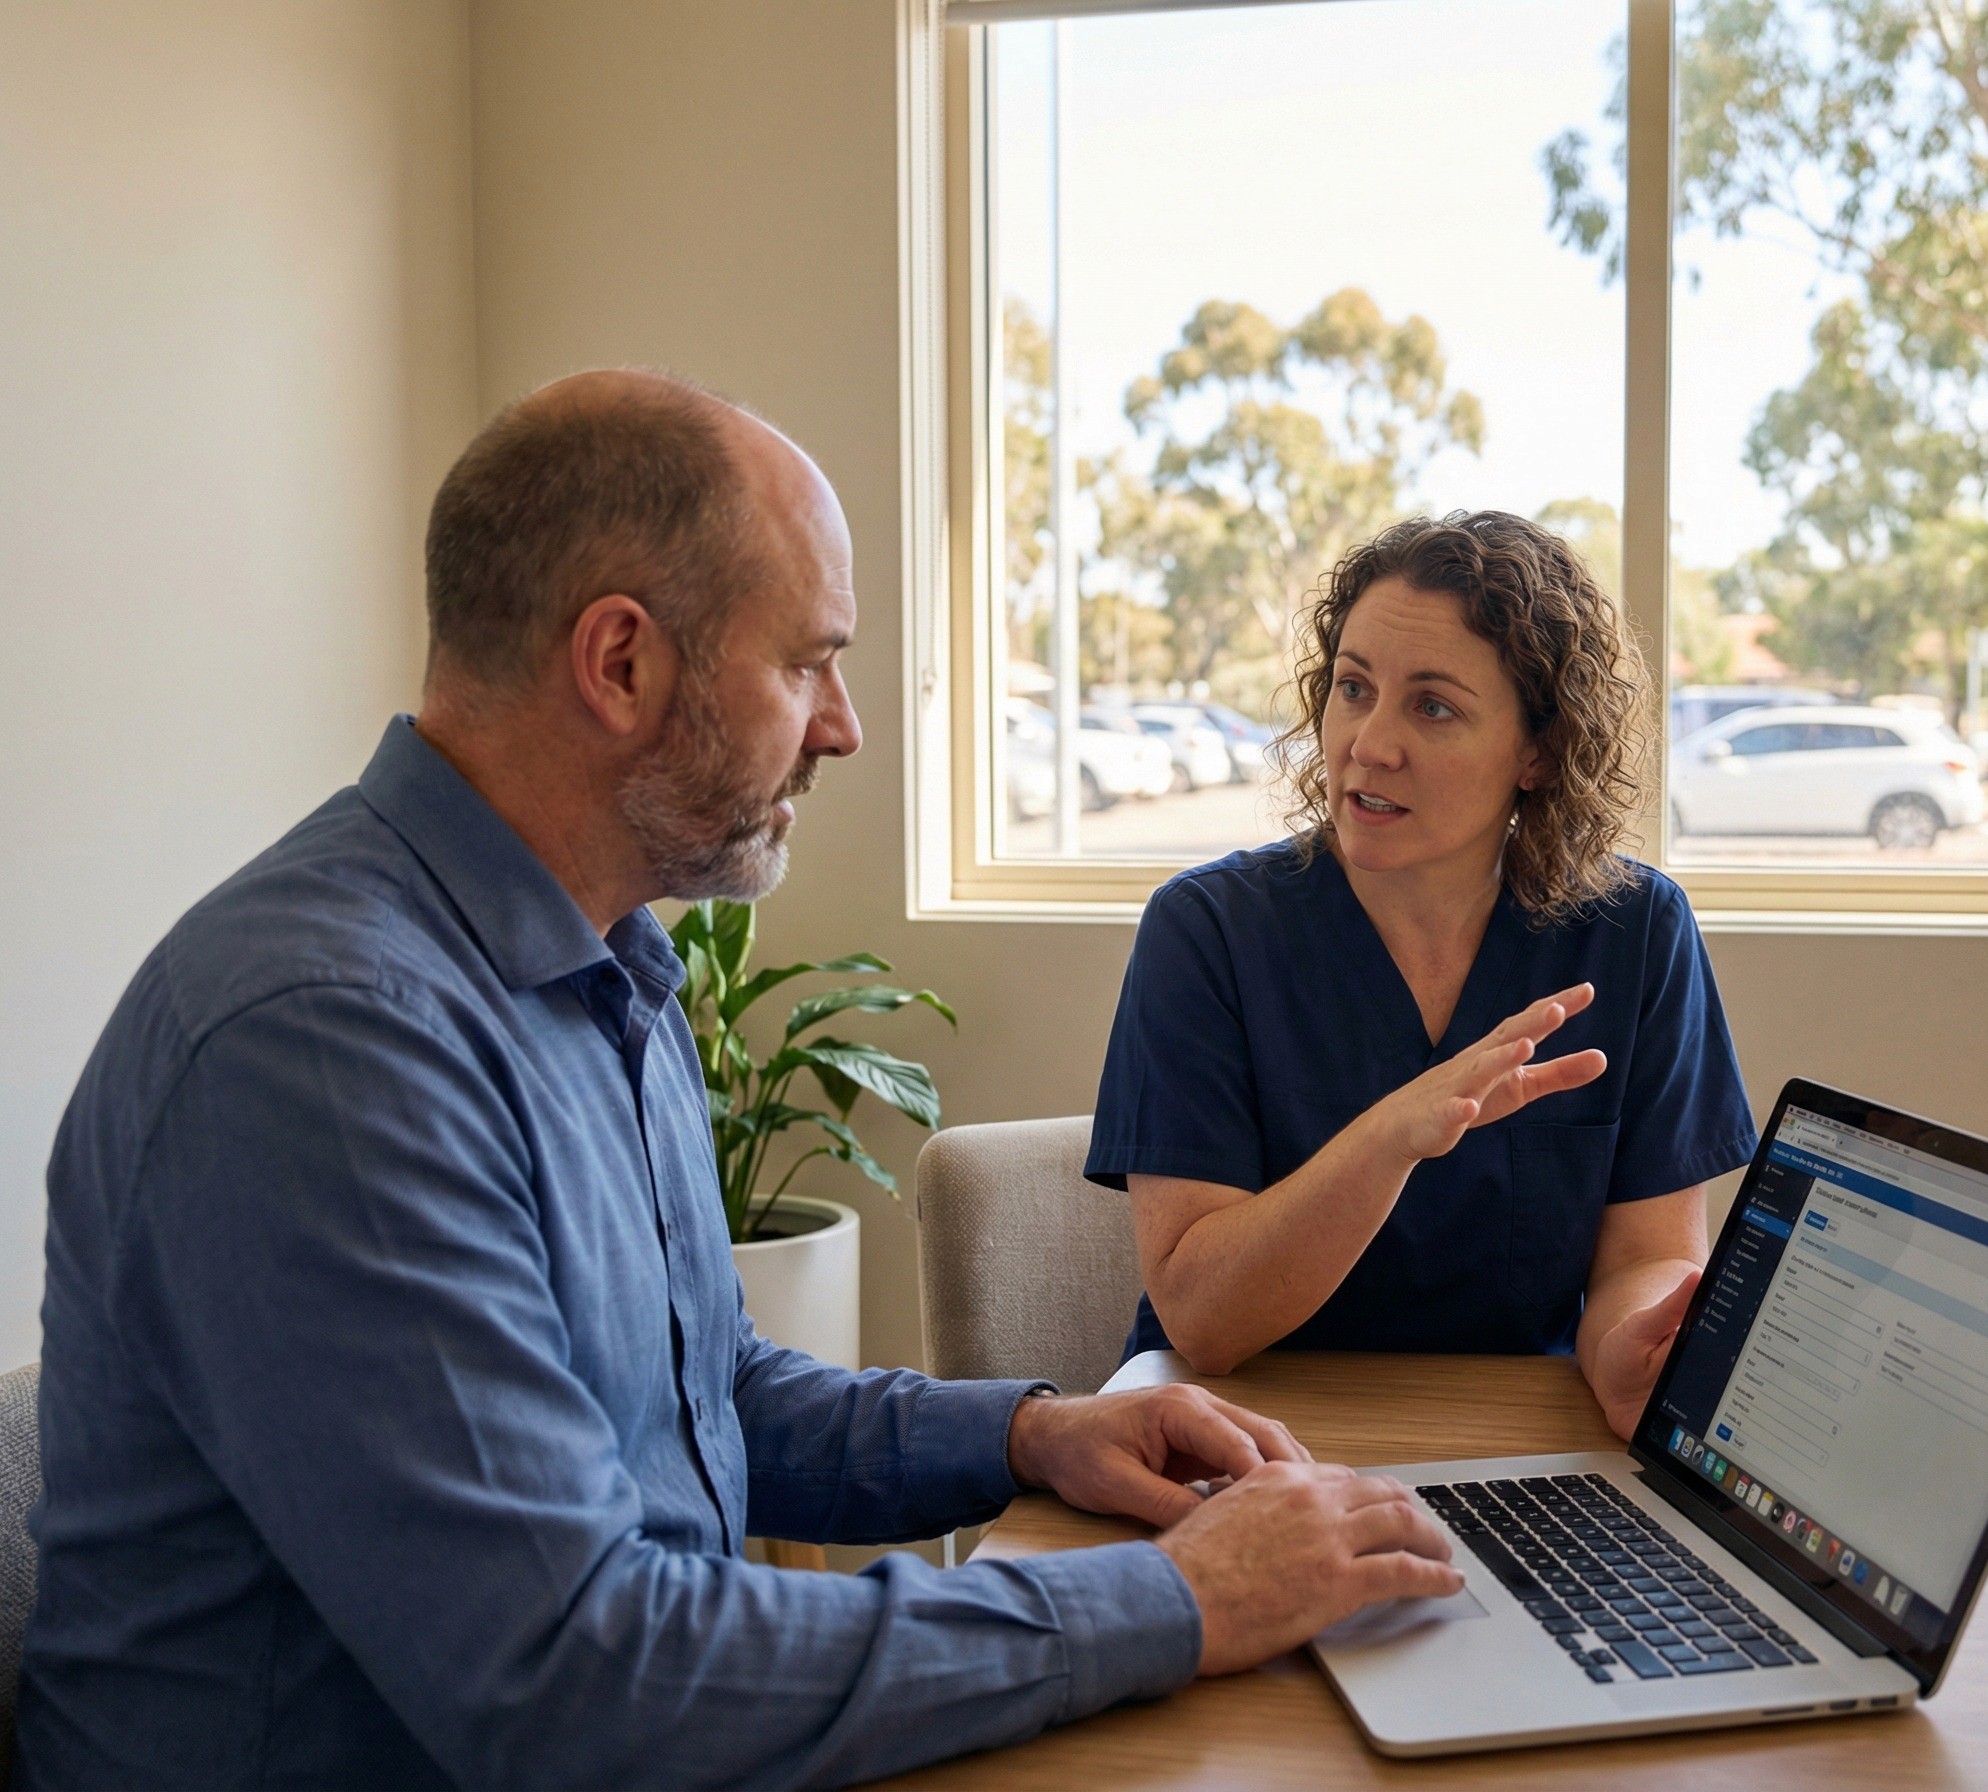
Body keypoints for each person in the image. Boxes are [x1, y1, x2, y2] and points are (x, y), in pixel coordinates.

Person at [14, 371, 1461, 1791]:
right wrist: (1181, 1602)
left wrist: (1033, 1432)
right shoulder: (325, 1047)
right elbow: (579, 1684)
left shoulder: (602, 962)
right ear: (622, 662)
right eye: (806, 662)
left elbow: (695, 1403)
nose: (841, 726)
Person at [1088, 511, 1757, 1438]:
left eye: (1432, 706)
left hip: (1517, 1446)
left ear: (1540, 751)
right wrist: (1391, 1138)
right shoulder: (1206, 932)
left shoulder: (1635, 932)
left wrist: (1624, 1352)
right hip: (1245, 1440)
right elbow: (1204, 1321)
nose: (1369, 743)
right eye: (1354, 688)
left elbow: (1643, 1258)